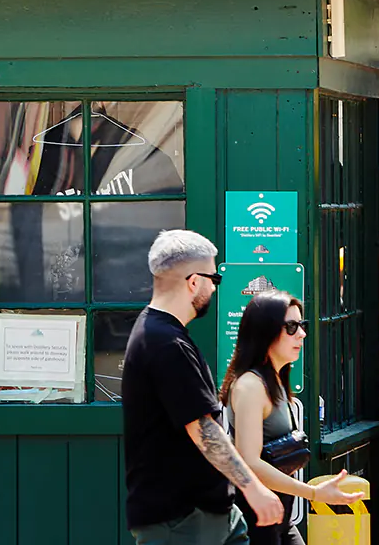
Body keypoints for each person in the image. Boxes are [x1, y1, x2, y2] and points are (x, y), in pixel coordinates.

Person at [122, 229, 284, 545]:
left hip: (206, 514)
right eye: (213, 279)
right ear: (193, 282)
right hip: (183, 520)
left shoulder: (163, 335)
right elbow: (204, 430)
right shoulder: (164, 342)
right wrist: (253, 488)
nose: (214, 287)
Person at [221, 292, 361, 545]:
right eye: (291, 327)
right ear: (265, 331)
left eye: (302, 325)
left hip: (278, 517)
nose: (302, 334)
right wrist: (313, 494)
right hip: (258, 519)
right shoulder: (251, 386)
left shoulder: (274, 380)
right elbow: (250, 462)